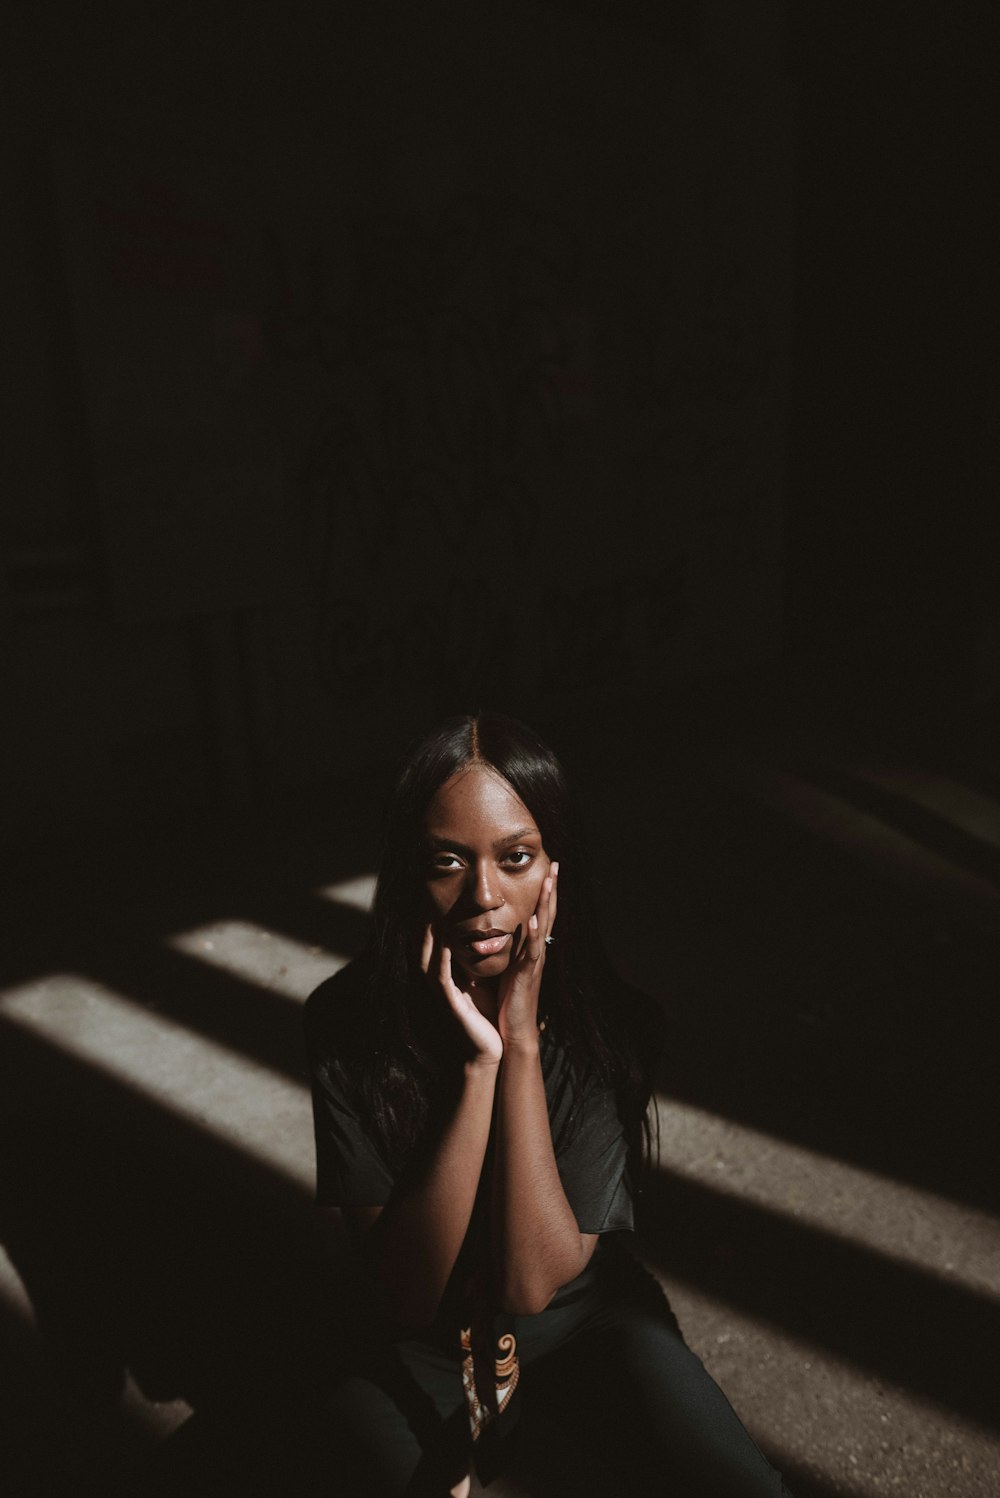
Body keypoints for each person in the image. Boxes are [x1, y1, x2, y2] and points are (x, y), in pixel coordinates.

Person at [304, 713, 793, 1496]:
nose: (484, 897)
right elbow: (408, 1291)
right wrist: (477, 1069)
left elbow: (534, 1283)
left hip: (581, 1323)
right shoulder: (345, 1024)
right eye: (445, 862)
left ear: (554, 871)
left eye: (516, 857)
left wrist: (523, 1044)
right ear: (408, 875)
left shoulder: (612, 1023)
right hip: (417, 1345)